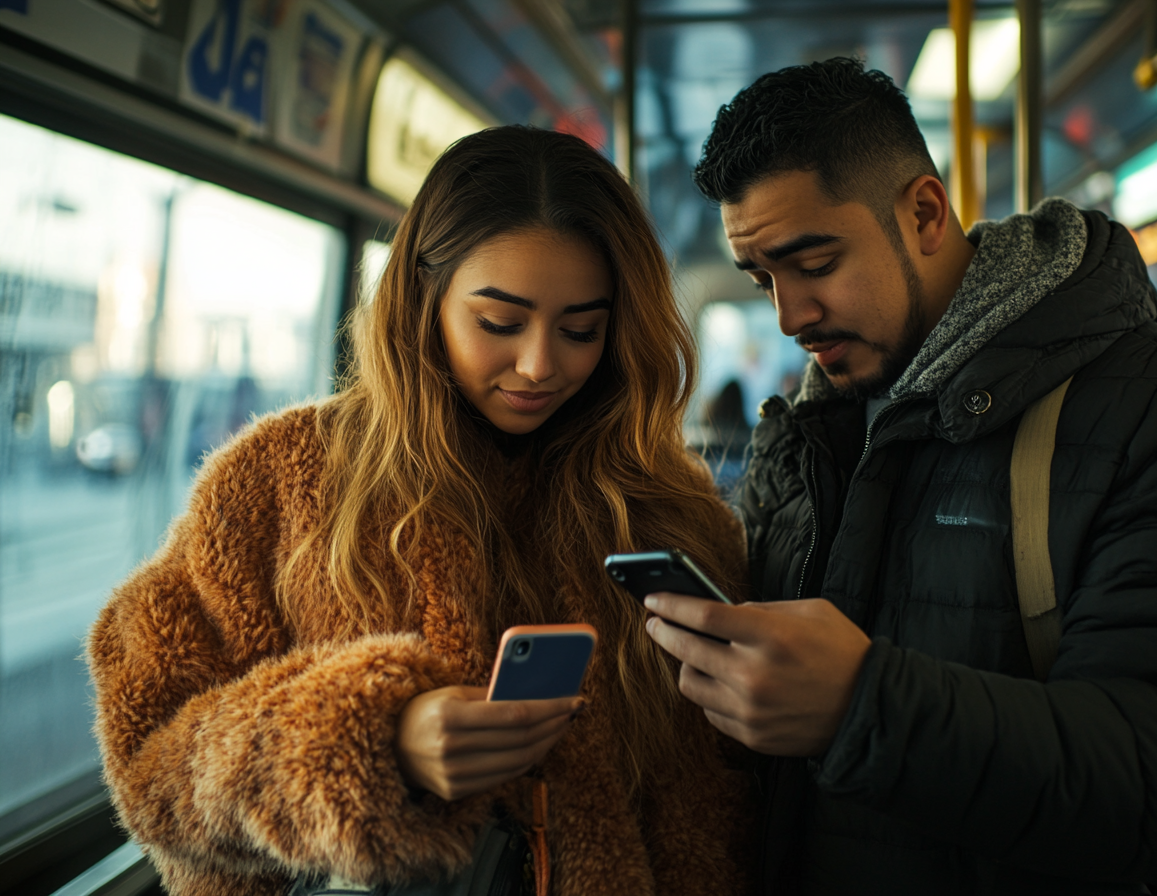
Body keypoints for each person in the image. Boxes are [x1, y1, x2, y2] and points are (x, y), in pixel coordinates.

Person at [643, 58, 1157, 894]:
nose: (789, 315)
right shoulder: (814, 433)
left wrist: (863, 708)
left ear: (923, 212)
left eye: (814, 262)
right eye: (763, 278)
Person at [89, 126, 752, 896]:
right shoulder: (274, 482)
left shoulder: (667, 506)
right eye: (499, 323)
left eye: (581, 330)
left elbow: (712, 808)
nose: (540, 365)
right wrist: (372, 743)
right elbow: (151, 761)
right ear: (423, 299)